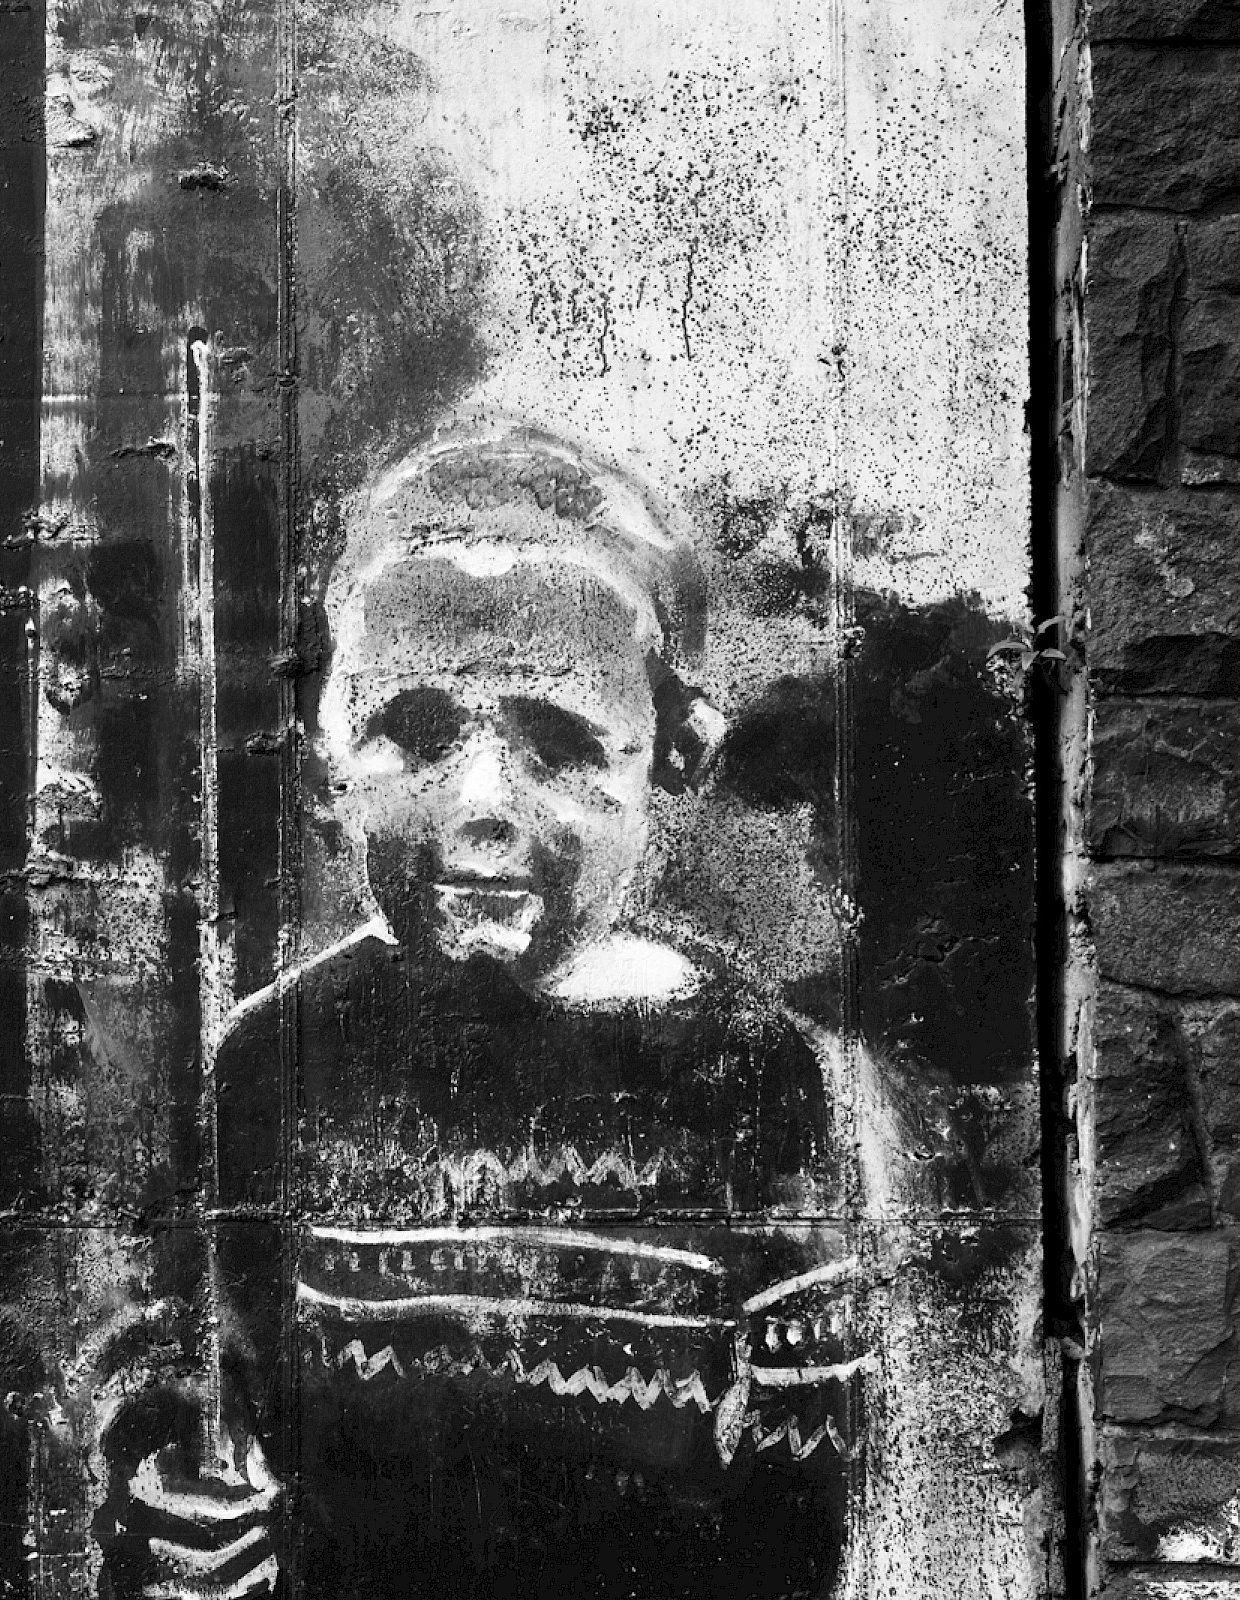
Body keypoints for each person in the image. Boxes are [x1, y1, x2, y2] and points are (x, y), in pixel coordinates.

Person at [94, 428, 869, 1600]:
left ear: (672, 752)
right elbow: (176, 1363)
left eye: (558, 742)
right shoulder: (270, 1059)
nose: (481, 805)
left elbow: (796, 1530)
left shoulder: (748, 1077)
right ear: (322, 751)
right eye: (410, 731)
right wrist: (161, 1487)